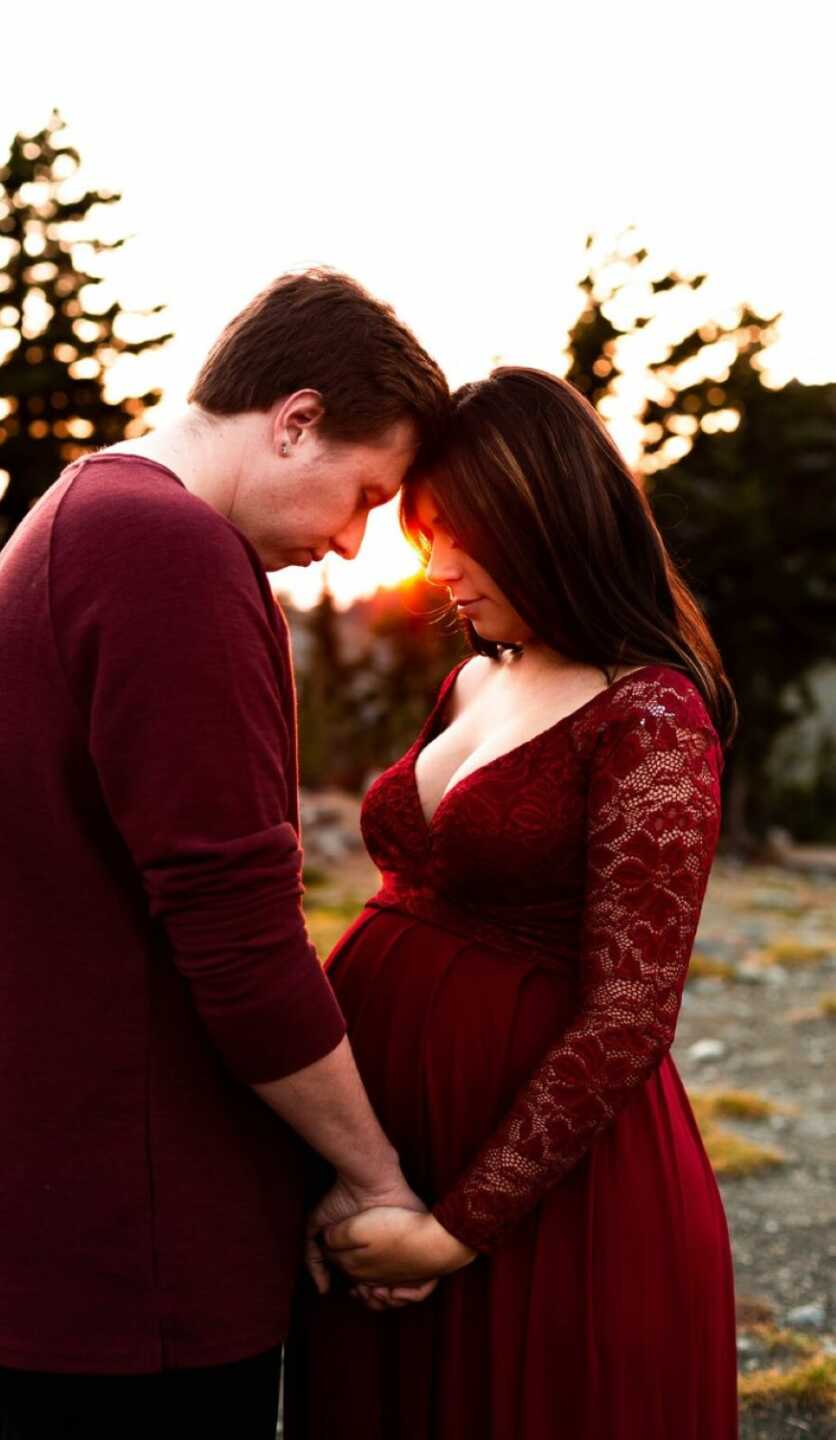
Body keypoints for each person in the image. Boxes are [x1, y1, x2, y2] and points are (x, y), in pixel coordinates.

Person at [0, 269, 449, 1440]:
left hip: (66, 1229)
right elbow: (239, 932)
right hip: (139, 1260)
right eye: (365, 493)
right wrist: (373, 1176)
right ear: (297, 419)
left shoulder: (82, 514)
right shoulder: (167, 554)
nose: (353, 541)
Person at [286, 368, 740, 1440]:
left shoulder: (652, 712)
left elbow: (632, 1007)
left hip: (541, 1207)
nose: (437, 567)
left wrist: (452, 1234)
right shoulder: (479, 674)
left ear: (546, 515)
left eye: (458, 533)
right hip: (390, 1164)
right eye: (425, 532)